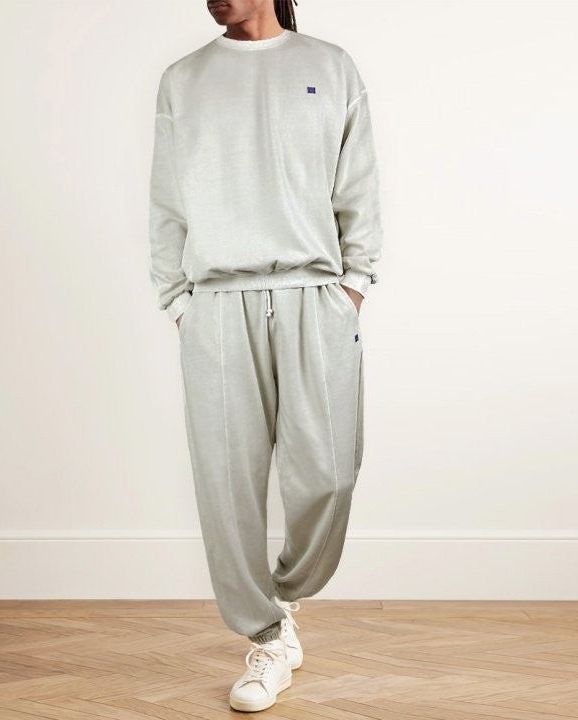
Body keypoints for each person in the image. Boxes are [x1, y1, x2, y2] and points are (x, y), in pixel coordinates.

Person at [148, 0, 383, 711]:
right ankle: (267, 635)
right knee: (227, 483)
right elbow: (166, 202)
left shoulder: (329, 67)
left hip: (316, 294)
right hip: (218, 303)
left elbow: (357, 186)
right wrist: (178, 302)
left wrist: (354, 285)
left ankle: (284, 593)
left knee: (330, 474)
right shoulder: (183, 79)